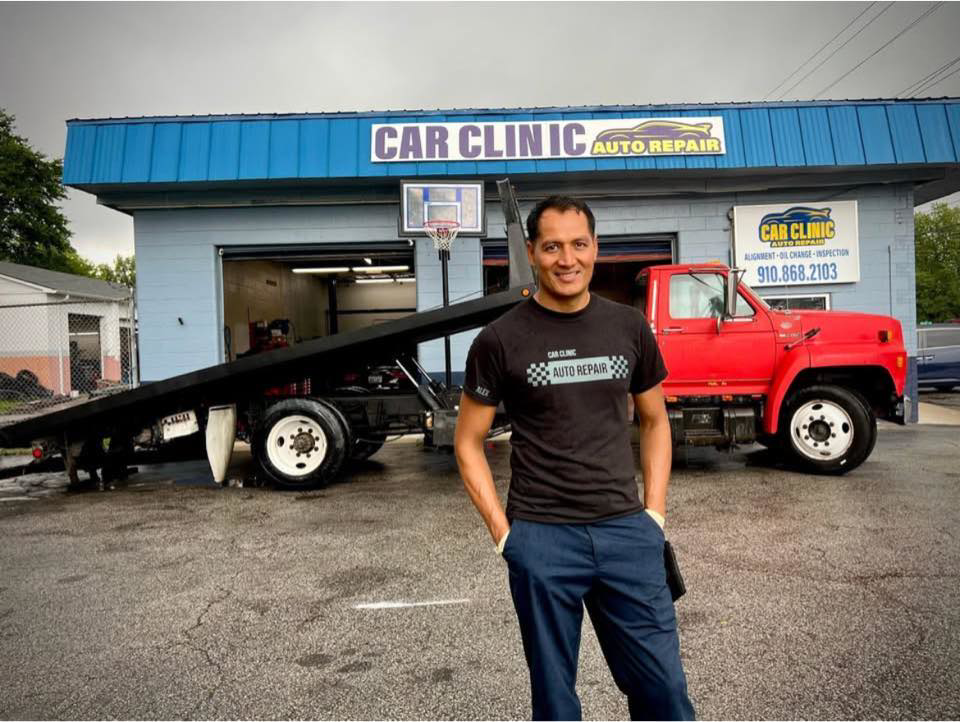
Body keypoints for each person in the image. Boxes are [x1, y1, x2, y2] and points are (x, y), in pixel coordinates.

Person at [454, 196, 695, 721]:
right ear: (532, 253)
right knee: (556, 704)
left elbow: (654, 421)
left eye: (578, 245)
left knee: (666, 695)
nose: (568, 259)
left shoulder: (629, 327)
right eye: (553, 246)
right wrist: (505, 536)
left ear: (595, 248)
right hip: (543, 538)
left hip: (627, 534)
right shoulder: (499, 340)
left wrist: (653, 516)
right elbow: (468, 440)